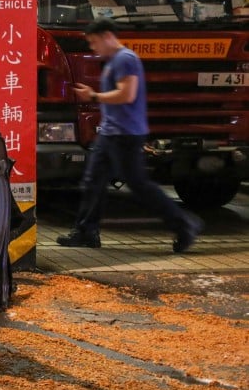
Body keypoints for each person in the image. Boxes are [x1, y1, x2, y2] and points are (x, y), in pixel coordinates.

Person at [57, 19, 203, 253]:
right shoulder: (114, 61)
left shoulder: (126, 59)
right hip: (111, 132)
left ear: (107, 36)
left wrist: (94, 96)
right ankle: (86, 232)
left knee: (139, 185)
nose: (93, 48)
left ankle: (184, 224)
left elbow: (127, 94)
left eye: (94, 42)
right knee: (93, 182)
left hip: (125, 134)